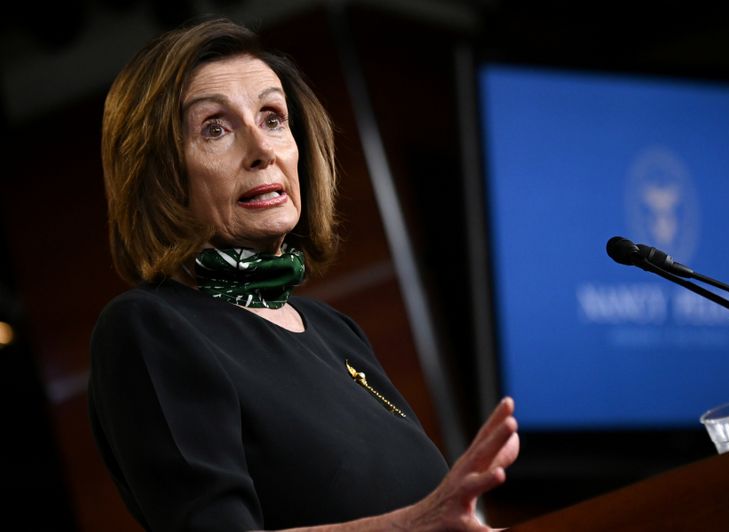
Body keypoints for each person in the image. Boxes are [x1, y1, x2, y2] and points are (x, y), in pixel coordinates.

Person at [88, 16, 519, 532]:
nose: (262, 149)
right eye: (216, 128)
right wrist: (413, 525)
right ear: (158, 172)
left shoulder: (336, 329)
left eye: (272, 118)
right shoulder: (150, 329)